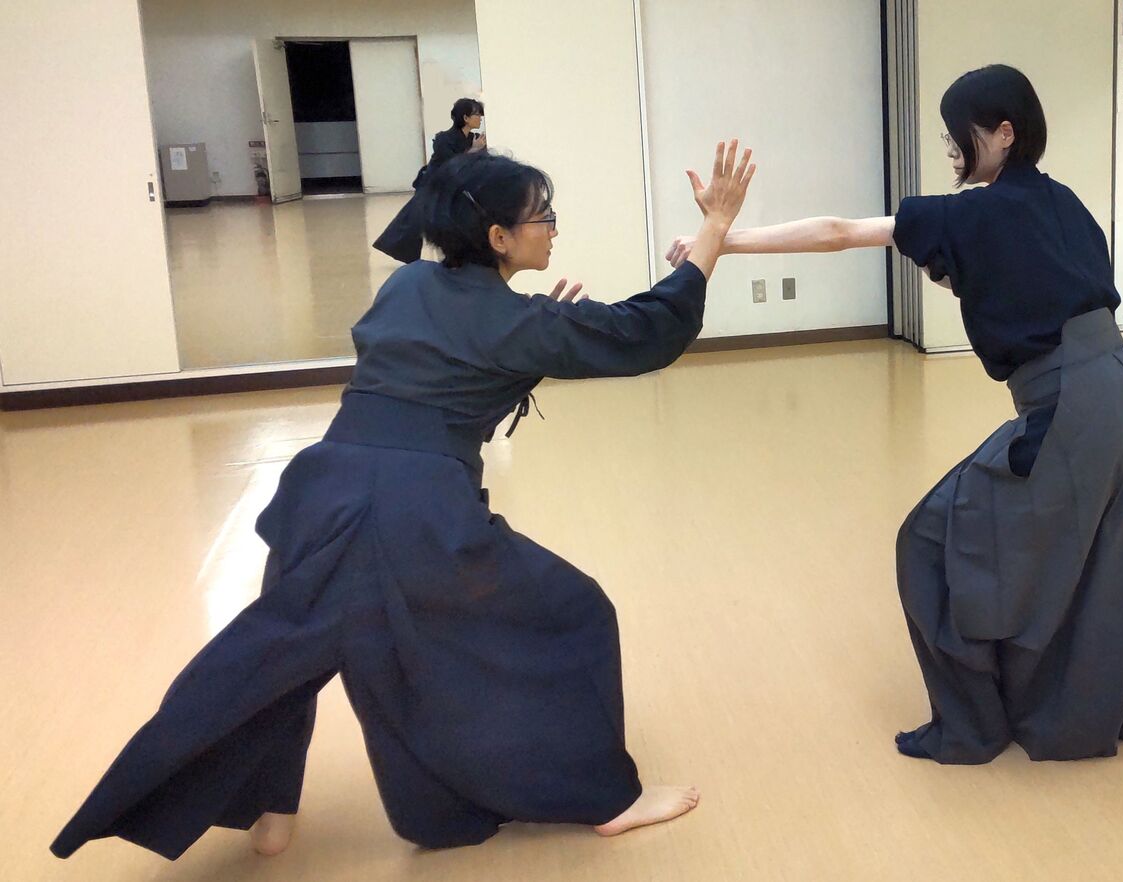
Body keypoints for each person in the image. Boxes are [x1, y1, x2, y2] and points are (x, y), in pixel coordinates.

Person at [52, 140, 755, 861]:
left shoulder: (410, 286)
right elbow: (647, 330)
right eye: (542, 217)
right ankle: (605, 798)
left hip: (323, 491)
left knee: (277, 660)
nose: (553, 228)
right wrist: (714, 229)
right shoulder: (521, 325)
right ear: (499, 237)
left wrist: (529, 345)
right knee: (572, 613)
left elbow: (438, 369)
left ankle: (269, 814)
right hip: (414, 513)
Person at [668, 64, 1123, 765]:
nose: (950, 147)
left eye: (957, 133)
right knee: (1099, 542)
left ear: (1003, 133)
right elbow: (1030, 283)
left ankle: (976, 722)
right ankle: (1094, 679)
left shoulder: (972, 212)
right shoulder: (1062, 202)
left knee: (932, 539)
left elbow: (840, 232)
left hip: (1075, 406)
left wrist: (719, 239)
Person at [373, 98, 488, 263]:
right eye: (477, 114)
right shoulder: (443, 139)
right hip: (433, 183)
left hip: (456, 186)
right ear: (466, 118)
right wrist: (472, 151)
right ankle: (401, 251)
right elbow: (450, 163)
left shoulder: (475, 139)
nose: (480, 118)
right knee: (413, 218)